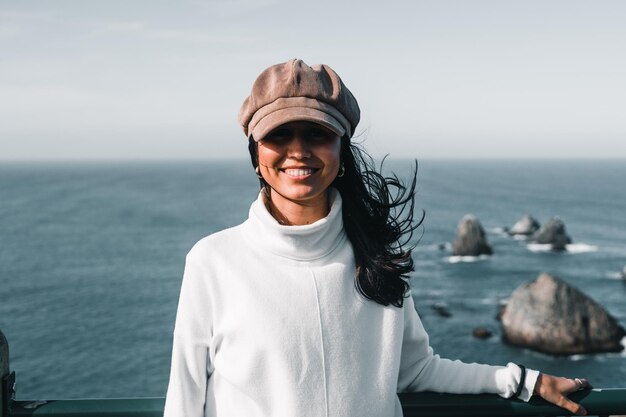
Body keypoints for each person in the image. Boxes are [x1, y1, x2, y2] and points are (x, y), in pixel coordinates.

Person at [164, 59, 590, 417]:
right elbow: (184, 400)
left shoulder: (375, 258)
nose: (298, 150)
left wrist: (524, 382)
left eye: (317, 133)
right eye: (278, 135)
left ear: (341, 150)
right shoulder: (214, 262)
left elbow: (415, 370)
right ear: (256, 155)